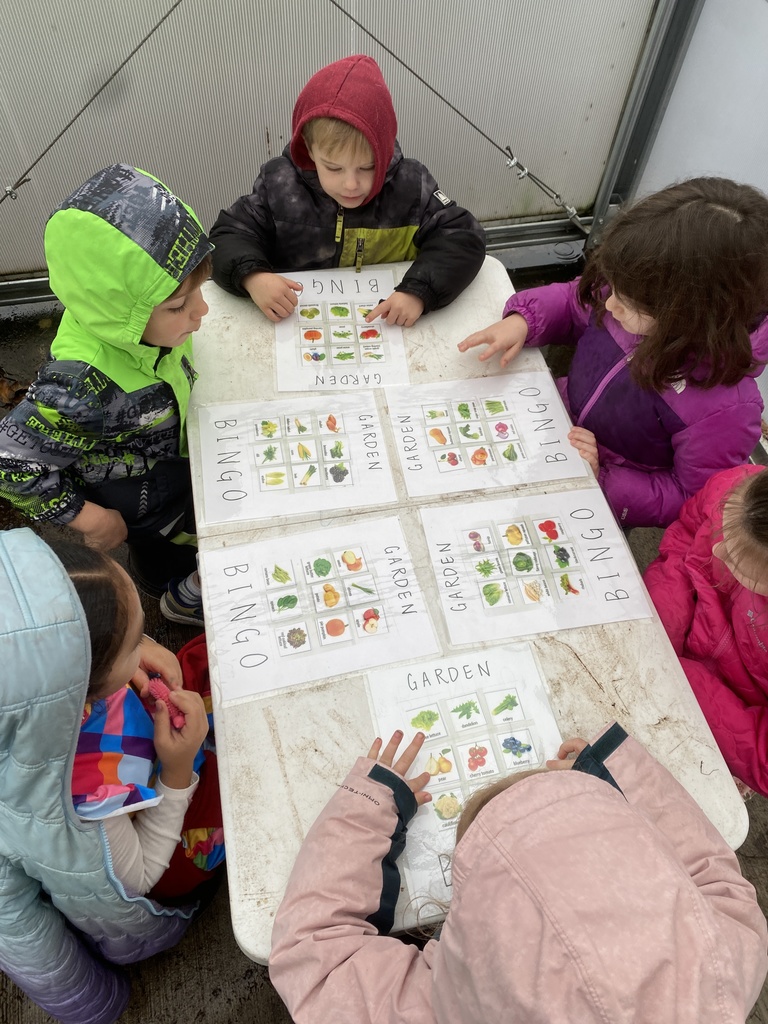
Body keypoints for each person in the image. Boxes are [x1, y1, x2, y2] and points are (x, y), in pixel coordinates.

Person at [269, 725, 767, 1023]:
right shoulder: (729, 960)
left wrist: (369, 805)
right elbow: (711, 873)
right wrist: (619, 773)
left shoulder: (447, 1009)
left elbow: (316, 955)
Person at [0, 529, 221, 1024]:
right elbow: (140, 875)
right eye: (134, 641)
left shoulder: (31, 691)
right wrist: (180, 770)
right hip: (150, 862)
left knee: (203, 663)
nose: (147, 644)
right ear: (79, 699)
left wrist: (130, 649)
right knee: (229, 798)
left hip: (120, 740)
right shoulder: (80, 812)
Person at [458, 177, 768, 528]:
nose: (610, 304)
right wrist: (525, 320)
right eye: (615, 286)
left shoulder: (725, 407)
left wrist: (602, 479)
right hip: (548, 421)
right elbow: (575, 301)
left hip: (599, 494)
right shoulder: (639, 291)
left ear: (699, 318)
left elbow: (691, 498)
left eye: (629, 301)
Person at [0, 164, 213, 624]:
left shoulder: (148, 326)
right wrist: (86, 518)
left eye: (197, 292)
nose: (202, 311)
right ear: (121, 314)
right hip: (142, 500)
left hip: (179, 465)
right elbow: (11, 462)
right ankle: (162, 588)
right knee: (163, 554)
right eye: (180, 305)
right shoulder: (77, 388)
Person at [210, 54, 486, 326]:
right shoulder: (280, 186)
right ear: (308, 149)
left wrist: (419, 291)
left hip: (387, 329)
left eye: (367, 167)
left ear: (386, 152)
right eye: (333, 168)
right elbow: (228, 234)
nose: (352, 184)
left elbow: (463, 236)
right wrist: (253, 276)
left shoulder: (411, 188)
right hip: (298, 327)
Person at [644, 463, 768, 796]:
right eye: (722, 530)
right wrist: (665, 620)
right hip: (674, 649)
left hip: (726, 725)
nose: (717, 550)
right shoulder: (735, 489)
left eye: (740, 565)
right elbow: (685, 539)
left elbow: (762, 756)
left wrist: (683, 680)